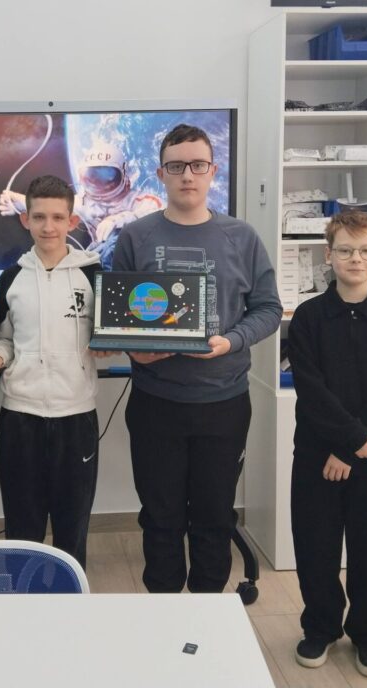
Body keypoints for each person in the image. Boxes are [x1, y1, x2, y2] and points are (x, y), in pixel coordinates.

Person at [111, 123, 282, 593]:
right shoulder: (135, 237)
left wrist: (233, 340)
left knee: (214, 517)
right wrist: (135, 351)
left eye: (197, 165)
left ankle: (208, 612)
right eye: (176, 166)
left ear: (213, 170)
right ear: (160, 174)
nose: (187, 174)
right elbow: (117, 317)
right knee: (159, 518)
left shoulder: (241, 237)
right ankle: (165, 611)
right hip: (156, 404)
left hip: (223, 404)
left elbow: (269, 309)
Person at [287, 211, 367, 679]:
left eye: (364, 250)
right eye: (344, 250)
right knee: (315, 546)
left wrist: (353, 447)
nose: (354, 258)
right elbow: (311, 389)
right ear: (329, 255)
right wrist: (346, 441)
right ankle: (320, 626)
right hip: (316, 455)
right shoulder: (308, 317)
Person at [0, 175, 103, 568]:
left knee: (72, 530)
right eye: (39, 217)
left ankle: (70, 604)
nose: (49, 226)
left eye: (58, 217)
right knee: (22, 530)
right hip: (20, 418)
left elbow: (105, 337)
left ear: (72, 221)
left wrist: (108, 344)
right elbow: (4, 338)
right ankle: (24, 602)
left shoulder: (94, 275)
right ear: (25, 220)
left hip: (76, 418)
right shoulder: (12, 278)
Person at [0, 142, 163, 266]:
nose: (98, 184)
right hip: (99, 261)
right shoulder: (84, 203)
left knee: (114, 242)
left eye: (107, 176)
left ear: (124, 173)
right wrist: (16, 201)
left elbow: (157, 213)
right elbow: (50, 207)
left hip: (135, 263)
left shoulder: (140, 201)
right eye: (91, 177)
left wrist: (119, 220)